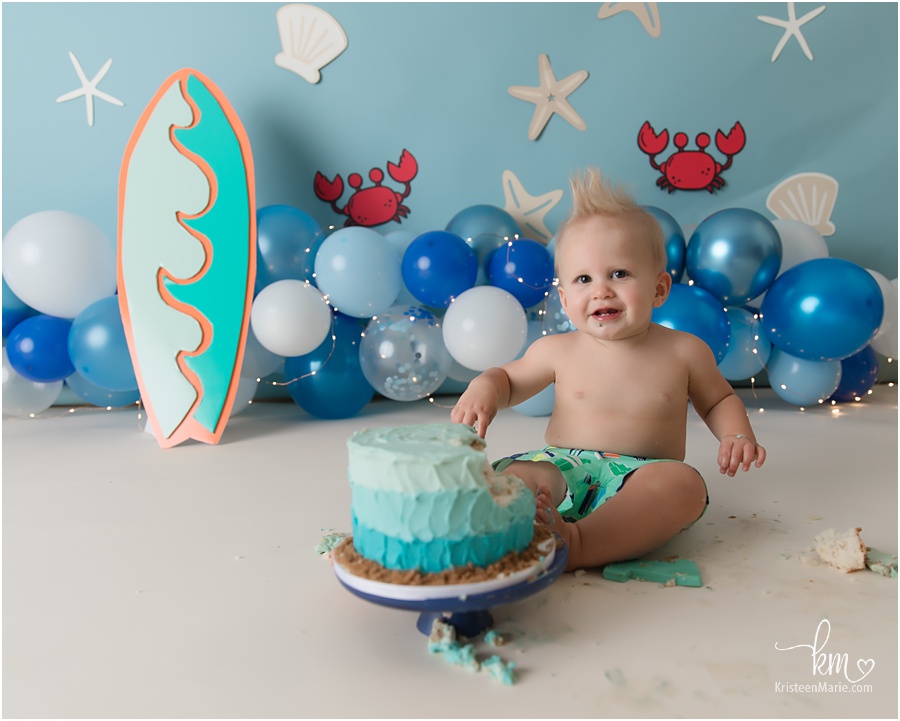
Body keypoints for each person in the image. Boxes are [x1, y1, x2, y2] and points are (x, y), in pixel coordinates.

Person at [450, 168, 766, 571]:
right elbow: (509, 380)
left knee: (684, 487)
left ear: (659, 288)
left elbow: (718, 398)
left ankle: (579, 543)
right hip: (564, 468)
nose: (601, 290)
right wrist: (485, 386)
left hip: (642, 476)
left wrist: (736, 433)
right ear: (564, 300)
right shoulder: (557, 350)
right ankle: (517, 525)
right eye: (583, 279)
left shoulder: (685, 351)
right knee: (520, 474)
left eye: (619, 273)